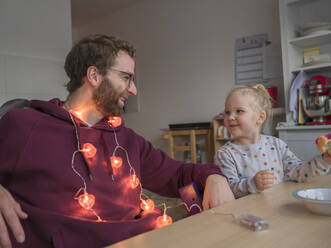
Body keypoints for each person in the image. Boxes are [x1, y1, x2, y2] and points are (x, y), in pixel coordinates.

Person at [0, 34, 234, 248]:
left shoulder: (128, 141)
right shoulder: (23, 124)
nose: (133, 90)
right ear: (94, 75)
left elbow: (178, 175)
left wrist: (213, 175)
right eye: (126, 78)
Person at [215, 84, 331, 199]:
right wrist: (253, 184)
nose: (230, 117)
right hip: (248, 213)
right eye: (227, 112)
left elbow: (298, 172)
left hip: (278, 208)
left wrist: (324, 161)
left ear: (260, 117)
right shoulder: (225, 154)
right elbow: (228, 191)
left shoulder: (277, 145)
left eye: (239, 111)